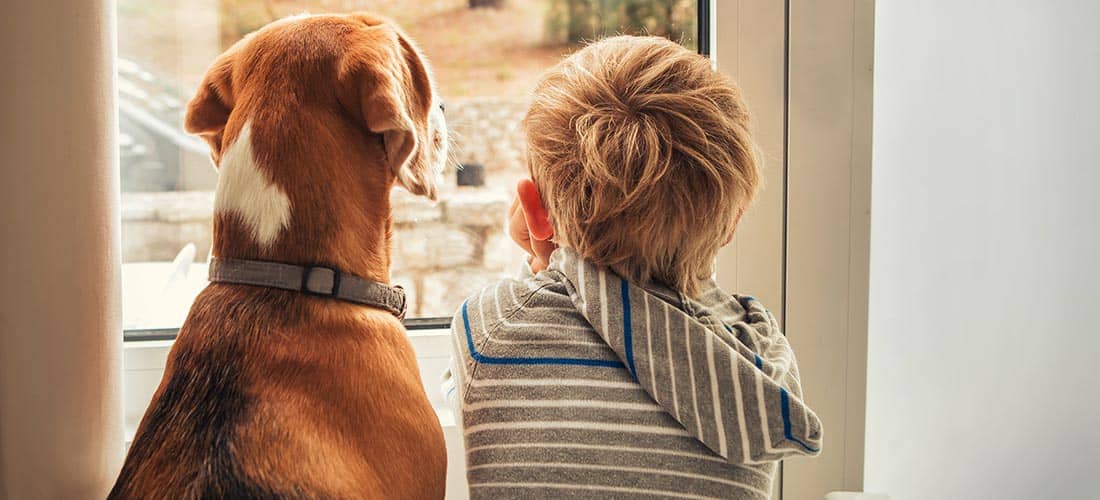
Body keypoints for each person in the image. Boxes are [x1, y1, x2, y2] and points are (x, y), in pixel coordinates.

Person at [447, 35, 822, 499]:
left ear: (534, 212)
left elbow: (457, 392)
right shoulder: (757, 358)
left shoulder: (495, 327)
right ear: (734, 219)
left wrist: (545, 261)